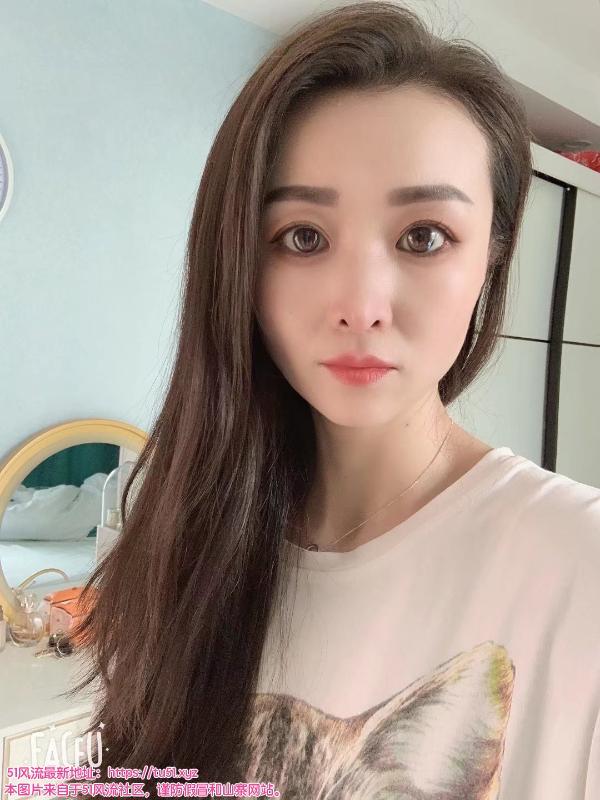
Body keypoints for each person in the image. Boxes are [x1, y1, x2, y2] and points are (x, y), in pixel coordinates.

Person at [69, 3, 600, 798]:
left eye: (423, 236)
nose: (360, 305)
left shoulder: (578, 570)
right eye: (304, 237)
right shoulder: (184, 539)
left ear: (492, 257)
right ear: (240, 261)